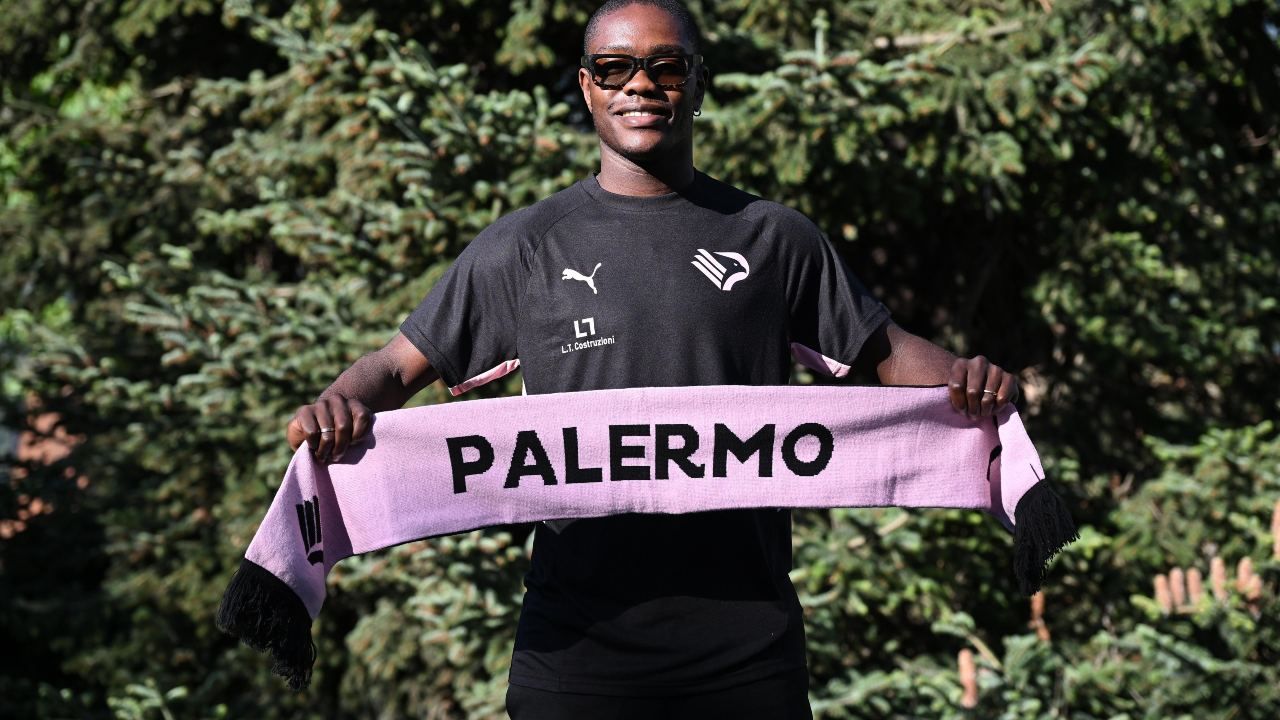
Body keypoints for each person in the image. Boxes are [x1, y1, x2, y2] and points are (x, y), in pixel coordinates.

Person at [285, 1, 1018, 716]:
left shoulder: (773, 238)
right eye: (615, 68)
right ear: (586, 86)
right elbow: (395, 367)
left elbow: (885, 353)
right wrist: (340, 403)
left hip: (748, 651)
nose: (640, 84)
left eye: (666, 67)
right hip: (574, 655)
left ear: (697, 83)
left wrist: (965, 379)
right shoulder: (526, 246)